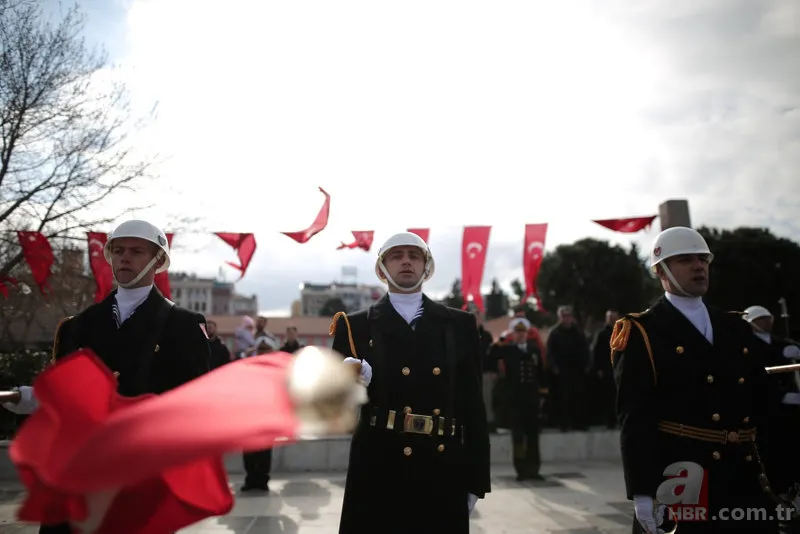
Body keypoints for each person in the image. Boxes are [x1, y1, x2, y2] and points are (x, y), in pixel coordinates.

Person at [3, 219, 212, 534]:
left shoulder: (182, 326)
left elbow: (192, 406)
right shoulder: (78, 326)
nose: (124, 258)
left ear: (158, 261)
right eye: (118, 250)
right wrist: (23, 397)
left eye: (136, 251)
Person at [612, 226, 782, 533]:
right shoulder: (643, 332)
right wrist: (642, 493)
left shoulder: (733, 326)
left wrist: (786, 476)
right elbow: (635, 418)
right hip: (683, 478)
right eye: (685, 260)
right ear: (661, 271)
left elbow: (763, 407)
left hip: (743, 475)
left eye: (703, 259)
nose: (698, 266)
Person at [330, 231, 490, 534]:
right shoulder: (355, 325)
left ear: (426, 267)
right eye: (397, 255)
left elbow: (473, 407)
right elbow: (334, 408)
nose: (406, 262)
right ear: (382, 268)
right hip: (378, 466)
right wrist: (347, 381)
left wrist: (476, 480)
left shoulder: (459, 325)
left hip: (441, 466)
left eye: (414, 256)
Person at [494, 320, 546, 481]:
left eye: (523, 332)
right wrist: (502, 339)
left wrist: (543, 395)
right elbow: (491, 354)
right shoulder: (508, 350)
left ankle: (534, 469)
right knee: (518, 436)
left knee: (533, 436)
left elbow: (541, 374)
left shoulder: (534, 349)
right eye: (517, 332)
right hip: (516, 400)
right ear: (513, 334)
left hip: (531, 399)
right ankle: (521, 470)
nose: (521, 335)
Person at [240, 335, 280, 492]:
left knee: (264, 450)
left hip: (268, 413)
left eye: (266, 349)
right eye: (261, 349)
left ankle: (262, 480)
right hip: (250, 412)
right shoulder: (248, 366)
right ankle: (250, 479)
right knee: (249, 450)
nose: (264, 352)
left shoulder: (275, 368)